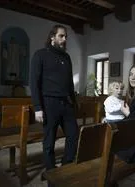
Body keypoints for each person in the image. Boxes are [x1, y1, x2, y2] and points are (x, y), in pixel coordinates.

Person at [29, 25, 78, 174]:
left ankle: (65, 167)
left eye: (65, 37)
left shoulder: (66, 57)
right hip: (49, 103)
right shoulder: (40, 55)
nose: (64, 39)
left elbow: (69, 82)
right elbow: (34, 82)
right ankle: (51, 172)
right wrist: (37, 107)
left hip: (66, 103)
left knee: (74, 135)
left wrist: (74, 102)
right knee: (49, 141)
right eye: (61, 36)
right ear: (52, 37)